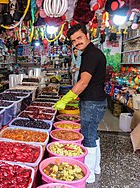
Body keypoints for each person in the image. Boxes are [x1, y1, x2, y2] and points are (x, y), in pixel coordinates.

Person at [53, 24, 107, 183]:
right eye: (73, 40)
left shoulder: (91, 55)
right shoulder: (90, 53)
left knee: (89, 138)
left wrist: (66, 99)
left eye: (79, 37)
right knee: (93, 135)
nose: (77, 42)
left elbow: (83, 82)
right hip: (94, 101)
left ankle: (88, 175)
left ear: (87, 35)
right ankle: (96, 167)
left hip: (92, 103)